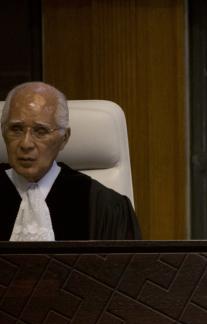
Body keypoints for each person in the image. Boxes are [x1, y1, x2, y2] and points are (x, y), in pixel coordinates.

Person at [1, 82, 140, 240]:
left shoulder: (104, 205)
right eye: (16, 129)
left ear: (64, 138)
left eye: (40, 131)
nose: (26, 144)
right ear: (3, 132)